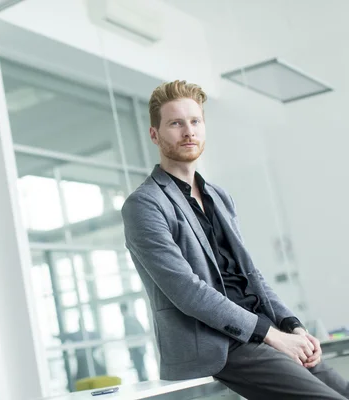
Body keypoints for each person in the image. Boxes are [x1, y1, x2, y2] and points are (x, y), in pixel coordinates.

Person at [121, 80, 349, 399]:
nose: (188, 131)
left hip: (262, 329)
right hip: (221, 343)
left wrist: (291, 324)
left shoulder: (219, 196)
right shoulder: (143, 204)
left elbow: (250, 274)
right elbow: (187, 291)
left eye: (195, 121)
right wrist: (271, 335)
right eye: (175, 123)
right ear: (154, 134)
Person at [120, 303, 148, 382]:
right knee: (139, 367)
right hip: (136, 347)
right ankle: (143, 381)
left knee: (139, 367)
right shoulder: (131, 319)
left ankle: (143, 382)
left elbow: (135, 333)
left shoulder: (129, 320)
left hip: (136, 347)